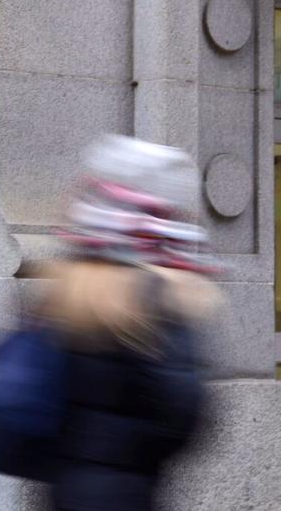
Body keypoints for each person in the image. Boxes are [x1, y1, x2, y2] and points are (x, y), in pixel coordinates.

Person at [34, 135, 222, 511]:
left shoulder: (66, 289)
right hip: (127, 491)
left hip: (64, 487)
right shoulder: (156, 297)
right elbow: (183, 413)